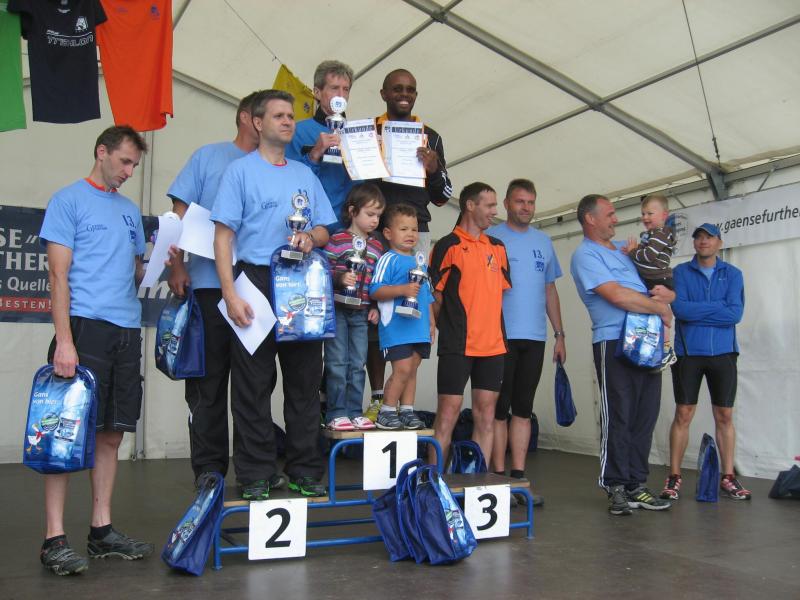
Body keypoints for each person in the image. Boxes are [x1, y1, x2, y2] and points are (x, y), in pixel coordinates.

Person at [210, 89, 337, 501]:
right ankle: (256, 473)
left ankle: (305, 469)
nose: (287, 121)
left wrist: (311, 237)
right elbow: (223, 237)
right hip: (256, 280)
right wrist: (230, 294)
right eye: (278, 115)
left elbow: (325, 228)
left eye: (290, 116)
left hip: (299, 280)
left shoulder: (304, 175)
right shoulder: (239, 172)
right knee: (252, 384)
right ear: (257, 122)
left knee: (305, 383)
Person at [38, 125, 154, 575]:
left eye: (134, 165)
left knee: (112, 433)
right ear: (101, 152)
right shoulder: (67, 200)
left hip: (125, 328)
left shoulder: (129, 211)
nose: (129, 171)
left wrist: (158, 261)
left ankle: (101, 531)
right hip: (84, 327)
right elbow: (57, 276)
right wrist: (65, 340)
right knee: (65, 434)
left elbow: (135, 271)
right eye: (124, 161)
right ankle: (53, 539)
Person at [165, 91, 260, 485]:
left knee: (254, 385)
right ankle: (209, 472)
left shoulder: (275, 165)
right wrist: (175, 265)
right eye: (266, 115)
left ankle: (255, 472)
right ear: (247, 117)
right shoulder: (208, 156)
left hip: (256, 290)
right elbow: (178, 214)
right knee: (207, 385)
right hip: (207, 287)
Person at [570, 194, 674, 516]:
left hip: (647, 339)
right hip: (614, 340)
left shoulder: (625, 252)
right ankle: (615, 484)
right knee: (619, 415)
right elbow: (617, 295)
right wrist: (659, 308)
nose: (617, 219)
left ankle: (636, 484)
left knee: (645, 415)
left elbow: (657, 279)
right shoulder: (585, 254)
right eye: (611, 214)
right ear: (591, 219)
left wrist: (668, 295)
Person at [364, 68, 453, 421]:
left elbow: (444, 195)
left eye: (410, 90)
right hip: (376, 229)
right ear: (384, 93)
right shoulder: (369, 132)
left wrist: (434, 169)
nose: (404, 94)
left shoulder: (431, 136)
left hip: (417, 231)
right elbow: (354, 180)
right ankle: (378, 396)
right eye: (397, 89)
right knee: (373, 312)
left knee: (415, 302)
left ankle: (405, 404)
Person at [487, 179, 566, 505]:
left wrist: (560, 334)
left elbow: (550, 289)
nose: (526, 208)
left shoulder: (543, 242)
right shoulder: (492, 238)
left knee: (523, 408)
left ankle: (518, 480)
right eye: (520, 201)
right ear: (506, 203)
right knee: (498, 409)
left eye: (531, 202)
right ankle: (497, 479)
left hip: (535, 337)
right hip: (499, 336)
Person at [661, 223, 749, 501]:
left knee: (724, 416)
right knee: (683, 413)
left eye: (709, 237)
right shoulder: (680, 273)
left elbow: (734, 314)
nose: (703, 241)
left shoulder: (733, 274)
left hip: (724, 353)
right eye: (698, 237)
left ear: (719, 242)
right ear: (694, 243)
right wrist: (717, 307)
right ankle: (674, 477)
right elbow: (681, 310)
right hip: (689, 353)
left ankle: (728, 477)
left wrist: (699, 310)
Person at [428, 183, 511, 464]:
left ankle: (478, 480)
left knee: (486, 416)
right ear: (470, 205)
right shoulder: (447, 245)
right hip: (458, 344)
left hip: (494, 345)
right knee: (447, 414)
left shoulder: (498, 247)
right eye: (489, 205)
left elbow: (497, 294)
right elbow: (435, 297)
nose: (495, 211)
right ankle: (432, 481)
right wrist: (448, 328)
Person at [323, 184, 385, 431]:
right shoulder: (336, 239)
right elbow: (324, 271)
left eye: (378, 215)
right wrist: (340, 278)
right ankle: (336, 412)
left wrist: (376, 305)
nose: (375, 220)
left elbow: (378, 280)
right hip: (337, 310)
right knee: (337, 362)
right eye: (370, 214)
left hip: (362, 311)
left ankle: (354, 411)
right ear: (352, 211)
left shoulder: (377, 246)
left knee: (358, 363)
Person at [369, 203, 435, 430]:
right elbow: (375, 290)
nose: (411, 234)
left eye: (414, 229)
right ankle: (387, 410)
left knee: (412, 369)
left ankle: (407, 410)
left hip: (419, 327)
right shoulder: (388, 259)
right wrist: (403, 290)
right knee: (403, 369)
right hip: (396, 327)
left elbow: (427, 296)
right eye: (404, 229)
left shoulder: (419, 261)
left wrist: (431, 323)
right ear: (388, 233)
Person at [286, 60, 354, 232]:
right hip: (308, 226)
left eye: (346, 89)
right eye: (334, 88)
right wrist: (314, 154)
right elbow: (288, 180)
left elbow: (361, 189)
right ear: (317, 92)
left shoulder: (357, 135)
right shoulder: (296, 131)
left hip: (345, 230)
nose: (341, 95)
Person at [622, 194, 677, 369]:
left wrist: (633, 252)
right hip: (652, 279)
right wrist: (634, 250)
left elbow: (649, 255)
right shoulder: (651, 235)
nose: (645, 217)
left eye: (650, 213)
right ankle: (655, 347)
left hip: (659, 280)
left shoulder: (661, 233)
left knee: (660, 312)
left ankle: (666, 349)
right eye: (643, 213)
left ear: (664, 215)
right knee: (652, 314)